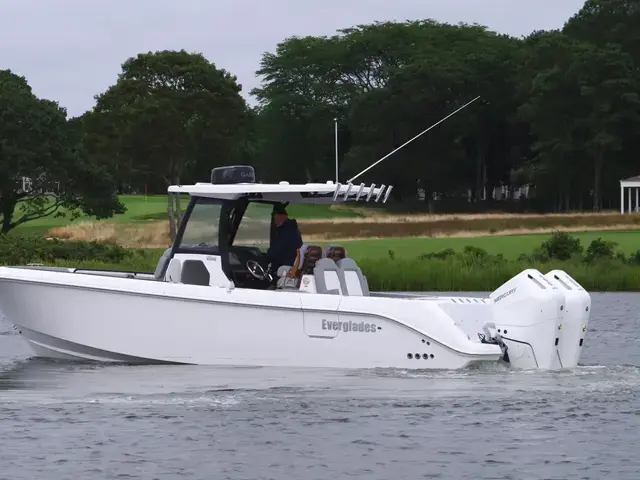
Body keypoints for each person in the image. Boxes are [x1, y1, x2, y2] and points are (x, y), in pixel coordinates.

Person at [267, 204, 303, 275]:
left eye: (274, 216)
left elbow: (274, 252)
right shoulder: (293, 230)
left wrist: (265, 257)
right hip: (288, 266)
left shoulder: (285, 232)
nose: (274, 220)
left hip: (283, 270)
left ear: (280, 217)